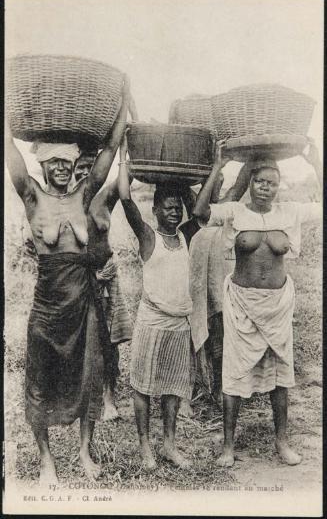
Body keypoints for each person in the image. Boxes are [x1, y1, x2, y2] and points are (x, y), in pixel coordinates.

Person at [5, 77, 129, 483]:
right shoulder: (32, 197)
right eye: (53, 162)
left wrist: (122, 103)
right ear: (43, 165)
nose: (60, 168)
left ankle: (83, 452)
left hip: (84, 304)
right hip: (46, 306)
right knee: (39, 380)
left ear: (73, 164)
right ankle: (46, 461)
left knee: (88, 377)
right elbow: (10, 156)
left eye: (66, 162)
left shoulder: (84, 193)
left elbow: (109, 151)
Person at [193, 139, 322, 467]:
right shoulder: (235, 212)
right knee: (234, 373)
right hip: (241, 305)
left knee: (281, 374)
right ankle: (227, 446)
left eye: (272, 183)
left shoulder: (289, 212)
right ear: (249, 183)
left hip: (277, 304)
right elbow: (199, 213)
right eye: (259, 181)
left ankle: (282, 441)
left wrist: (315, 161)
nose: (265, 188)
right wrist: (217, 166)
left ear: (280, 186)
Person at [118, 136, 205, 471]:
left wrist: (183, 183)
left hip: (178, 323)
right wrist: (124, 158)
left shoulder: (185, 235)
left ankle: (168, 444)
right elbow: (125, 197)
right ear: (154, 210)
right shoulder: (147, 237)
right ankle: (145, 448)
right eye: (166, 206)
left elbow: (199, 210)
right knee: (143, 385)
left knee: (172, 386)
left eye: (176, 206)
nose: (173, 210)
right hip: (151, 322)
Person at [179, 159, 253, 417]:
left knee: (220, 342)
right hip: (193, 291)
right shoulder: (190, 220)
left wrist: (249, 155)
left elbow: (242, 183)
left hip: (220, 291)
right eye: (210, 182)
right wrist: (214, 167)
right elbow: (196, 202)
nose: (216, 186)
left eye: (220, 182)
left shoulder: (226, 212)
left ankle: (221, 390)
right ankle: (185, 395)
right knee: (189, 340)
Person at [74, 151, 133, 420]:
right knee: (82, 338)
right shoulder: (64, 202)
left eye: (89, 167)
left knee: (109, 342)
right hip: (79, 280)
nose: (83, 173)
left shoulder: (105, 198)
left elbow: (128, 174)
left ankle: (110, 397)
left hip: (107, 277)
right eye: (79, 168)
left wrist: (124, 145)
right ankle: (82, 395)